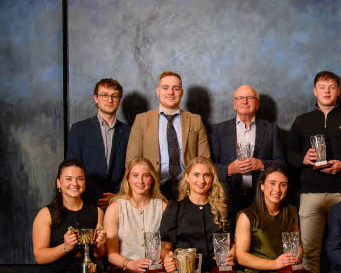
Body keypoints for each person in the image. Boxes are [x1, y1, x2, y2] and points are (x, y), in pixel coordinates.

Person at [286, 71, 341, 273]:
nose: (326, 91)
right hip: (310, 194)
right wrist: (303, 159)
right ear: (315, 91)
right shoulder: (301, 121)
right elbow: (288, 154)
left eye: (331, 87)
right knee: (309, 250)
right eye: (322, 87)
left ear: (338, 91)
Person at [126, 71, 211, 200]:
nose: (170, 92)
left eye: (175, 88)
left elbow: (205, 160)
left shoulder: (195, 120)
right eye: (165, 88)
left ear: (181, 93)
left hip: (189, 187)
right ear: (158, 91)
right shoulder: (142, 120)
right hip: (152, 188)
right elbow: (131, 162)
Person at [210, 85, 285, 223]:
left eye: (250, 98)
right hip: (228, 196)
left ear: (257, 104)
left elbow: (281, 163)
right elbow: (208, 166)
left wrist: (262, 164)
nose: (245, 101)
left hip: (261, 196)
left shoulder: (271, 130)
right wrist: (228, 169)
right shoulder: (219, 130)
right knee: (231, 239)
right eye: (240, 98)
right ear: (234, 104)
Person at [67, 78, 130, 209]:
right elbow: (73, 167)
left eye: (114, 96)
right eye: (104, 95)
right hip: (86, 200)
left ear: (119, 100)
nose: (109, 100)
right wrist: (97, 195)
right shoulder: (79, 129)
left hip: (119, 201)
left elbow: (130, 168)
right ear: (96, 98)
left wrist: (116, 195)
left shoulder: (128, 132)